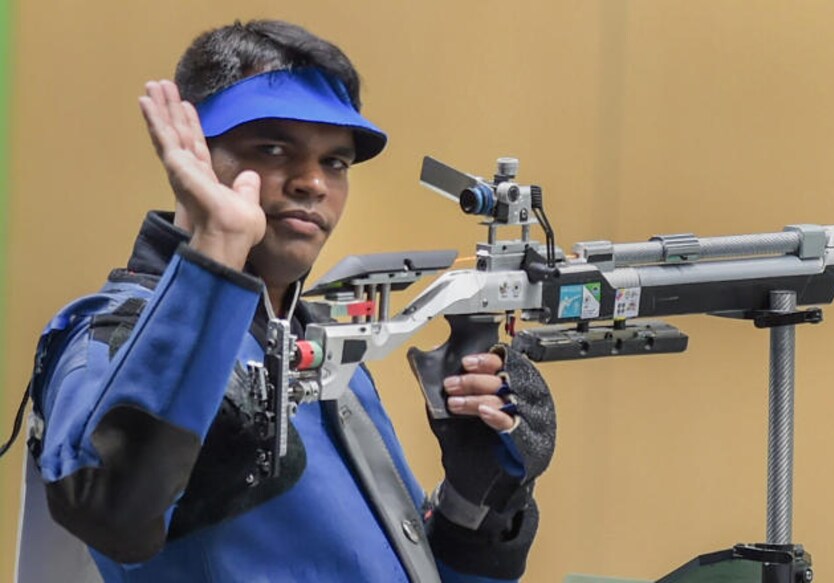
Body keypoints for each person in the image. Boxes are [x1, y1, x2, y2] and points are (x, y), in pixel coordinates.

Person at [15, 19, 556, 582]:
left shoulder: (318, 345)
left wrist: (482, 500)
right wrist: (218, 244)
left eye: (335, 162)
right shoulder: (111, 335)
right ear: (193, 153)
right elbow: (113, 514)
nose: (311, 182)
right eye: (273, 148)